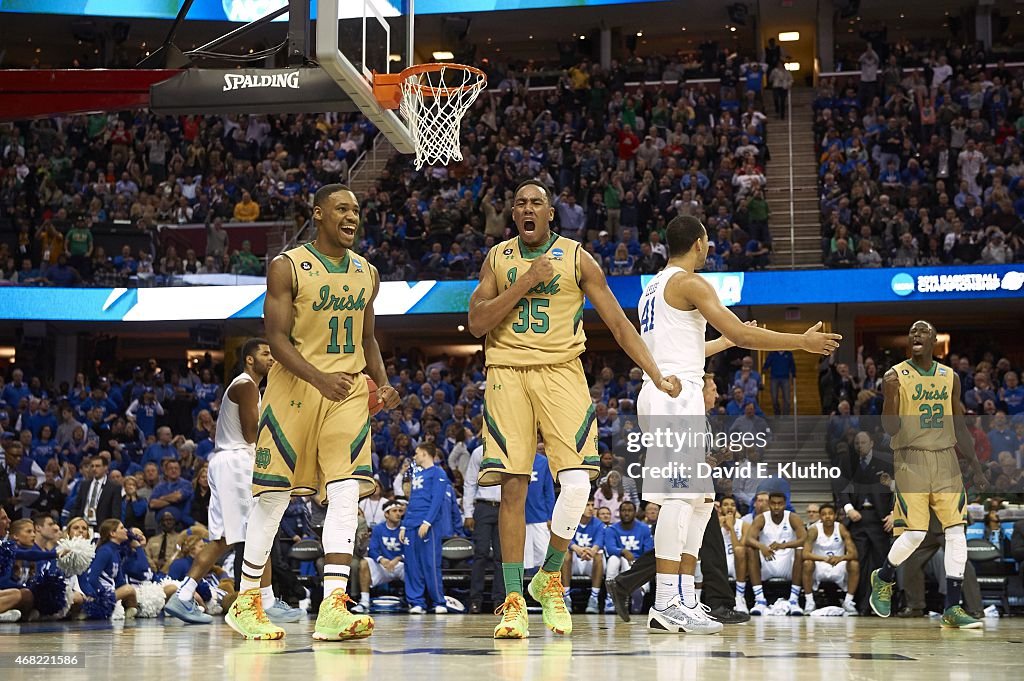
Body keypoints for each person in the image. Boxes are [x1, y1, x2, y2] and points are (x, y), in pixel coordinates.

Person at [467, 179, 681, 639]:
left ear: (550, 213)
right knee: (513, 487)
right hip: (507, 372)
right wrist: (526, 281)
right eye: (520, 202)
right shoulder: (498, 259)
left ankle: (548, 576)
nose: (528, 209)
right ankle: (511, 601)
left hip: (563, 371)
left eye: (537, 203)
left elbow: (620, 326)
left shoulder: (578, 256)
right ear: (514, 213)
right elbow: (476, 322)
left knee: (580, 481)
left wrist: (657, 374)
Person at [634, 214, 839, 633]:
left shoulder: (652, 289)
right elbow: (745, 337)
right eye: (707, 243)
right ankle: (665, 600)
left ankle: (685, 598)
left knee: (701, 502)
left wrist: (724, 341)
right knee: (677, 499)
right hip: (674, 395)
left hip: (669, 388)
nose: (708, 249)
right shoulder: (690, 283)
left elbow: (684, 348)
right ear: (698, 243)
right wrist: (802, 341)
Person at [225, 184, 400, 641]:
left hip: (346, 392)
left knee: (346, 491)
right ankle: (246, 602)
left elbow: (367, 340)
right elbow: (276, 339)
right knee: (274, 497)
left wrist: (381, 382)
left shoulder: (368, 272)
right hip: (293, 392)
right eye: (342, 208)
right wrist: (318, 377)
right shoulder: (287, 267)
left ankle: (333, 605)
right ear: (318, 213)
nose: (352, 216)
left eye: (357, 210)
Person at [164, 339, 300, 625]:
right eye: (265, 353)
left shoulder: (248, 386)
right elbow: (253, 434)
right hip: (237, 462)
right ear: (249, 360)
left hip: (228, 462)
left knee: (225, 539)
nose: (272, 358)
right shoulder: (246, 385)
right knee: (258, 533)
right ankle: (267, 602)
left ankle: (184, 596)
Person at [869, 320, 988, 629]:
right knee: (915, 534)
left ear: (935, 339)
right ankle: (883, 577)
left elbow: (959, 425)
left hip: (946, 459)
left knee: (955, 531)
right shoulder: (894, 375)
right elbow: (890, 428)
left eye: (923, 331)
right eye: (912, 332)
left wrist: (974, 465)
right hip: (911, 458)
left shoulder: (951, 377)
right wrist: (891, 397)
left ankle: (952, 606)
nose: (916, 335)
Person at [400, 443, 449, 614]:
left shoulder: (438, 473)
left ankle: (438, 601)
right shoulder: (416, 473)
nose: (415, 457)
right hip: (412, 523)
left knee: (430, 563)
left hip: (429, 525)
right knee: (412, 564)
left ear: (425, 454)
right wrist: (404, 525)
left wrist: (427, 522)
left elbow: (437, 500)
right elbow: (412, 501)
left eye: (417, 453)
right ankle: (416, 602)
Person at [746, 492, 807, 615]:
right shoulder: (761, 518)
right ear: (769, 504)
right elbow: (748, 538)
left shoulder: (793, 518)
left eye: (779, 503)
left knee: (800, 550)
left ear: (785, 504)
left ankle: (794, 601)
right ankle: (760, 600)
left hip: (788, 564)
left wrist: (783, 545)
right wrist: (762, 546)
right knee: (750, 550)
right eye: (773, 503)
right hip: (767, 562)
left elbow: (804, 539)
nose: (776, 507)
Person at [801, 502, 859, 614]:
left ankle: (848, 602)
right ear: (820, 516)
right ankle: (809, 602)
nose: (827, 516)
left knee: (854, 564)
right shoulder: (814, 530)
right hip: (819, 566)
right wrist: (823, 558)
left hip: (838, 566)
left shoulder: (841, 528)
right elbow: (805, 554)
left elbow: (854, 554)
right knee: (807, 563)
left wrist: (840, 558)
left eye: (830, 514)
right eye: (824, 514)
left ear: (835, 515)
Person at [355, 499, 406, 613]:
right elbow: (372, 549)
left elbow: (410, 550)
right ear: (386, 514)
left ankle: (415, 601)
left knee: (415, 565)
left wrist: (398, 558)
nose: (398, 513)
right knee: (364, 562)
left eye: (400, 511)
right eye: (394, 511)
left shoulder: (404, 528)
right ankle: (364, 601)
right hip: (384, 565)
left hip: (401, 565)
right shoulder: (378, 528)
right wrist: (381, 559)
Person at [562, 499, 606, 614]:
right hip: (575, 560)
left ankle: (594, 598)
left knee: (599, 555)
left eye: (592, 505)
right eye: (587, 505)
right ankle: (566, 597)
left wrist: (591, 551)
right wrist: (578, 549)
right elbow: (566, 539)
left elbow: (599, 542)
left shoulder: (598, 523)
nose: (591, 508)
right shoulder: (571, 521)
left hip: (590, 560)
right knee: (565, 554)